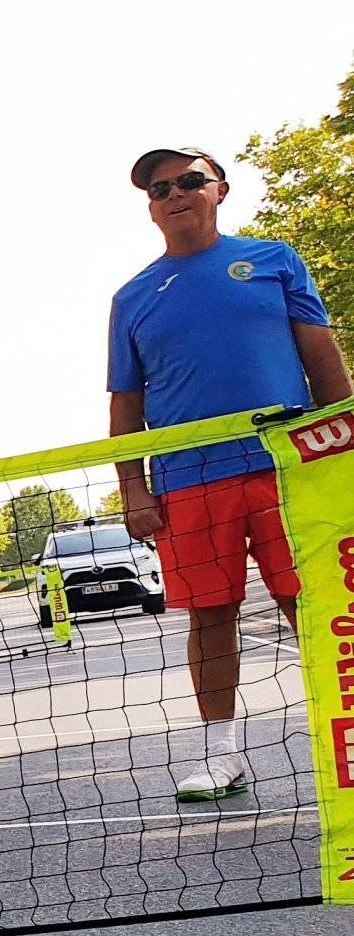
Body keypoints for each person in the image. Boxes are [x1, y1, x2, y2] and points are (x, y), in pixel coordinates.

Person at [109, 146, 351, 801]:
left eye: (190, 181)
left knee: (314, 604)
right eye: (160, 189)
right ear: (151, 208)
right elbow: (126, 404)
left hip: (290, 470)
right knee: (211, 615)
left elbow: (323, 362)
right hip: (189, 483)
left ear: (220, 190)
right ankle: (221, 755)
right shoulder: (132, 298)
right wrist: (135, 488)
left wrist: (345, 454)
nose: (175, 193)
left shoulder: (275, 262)